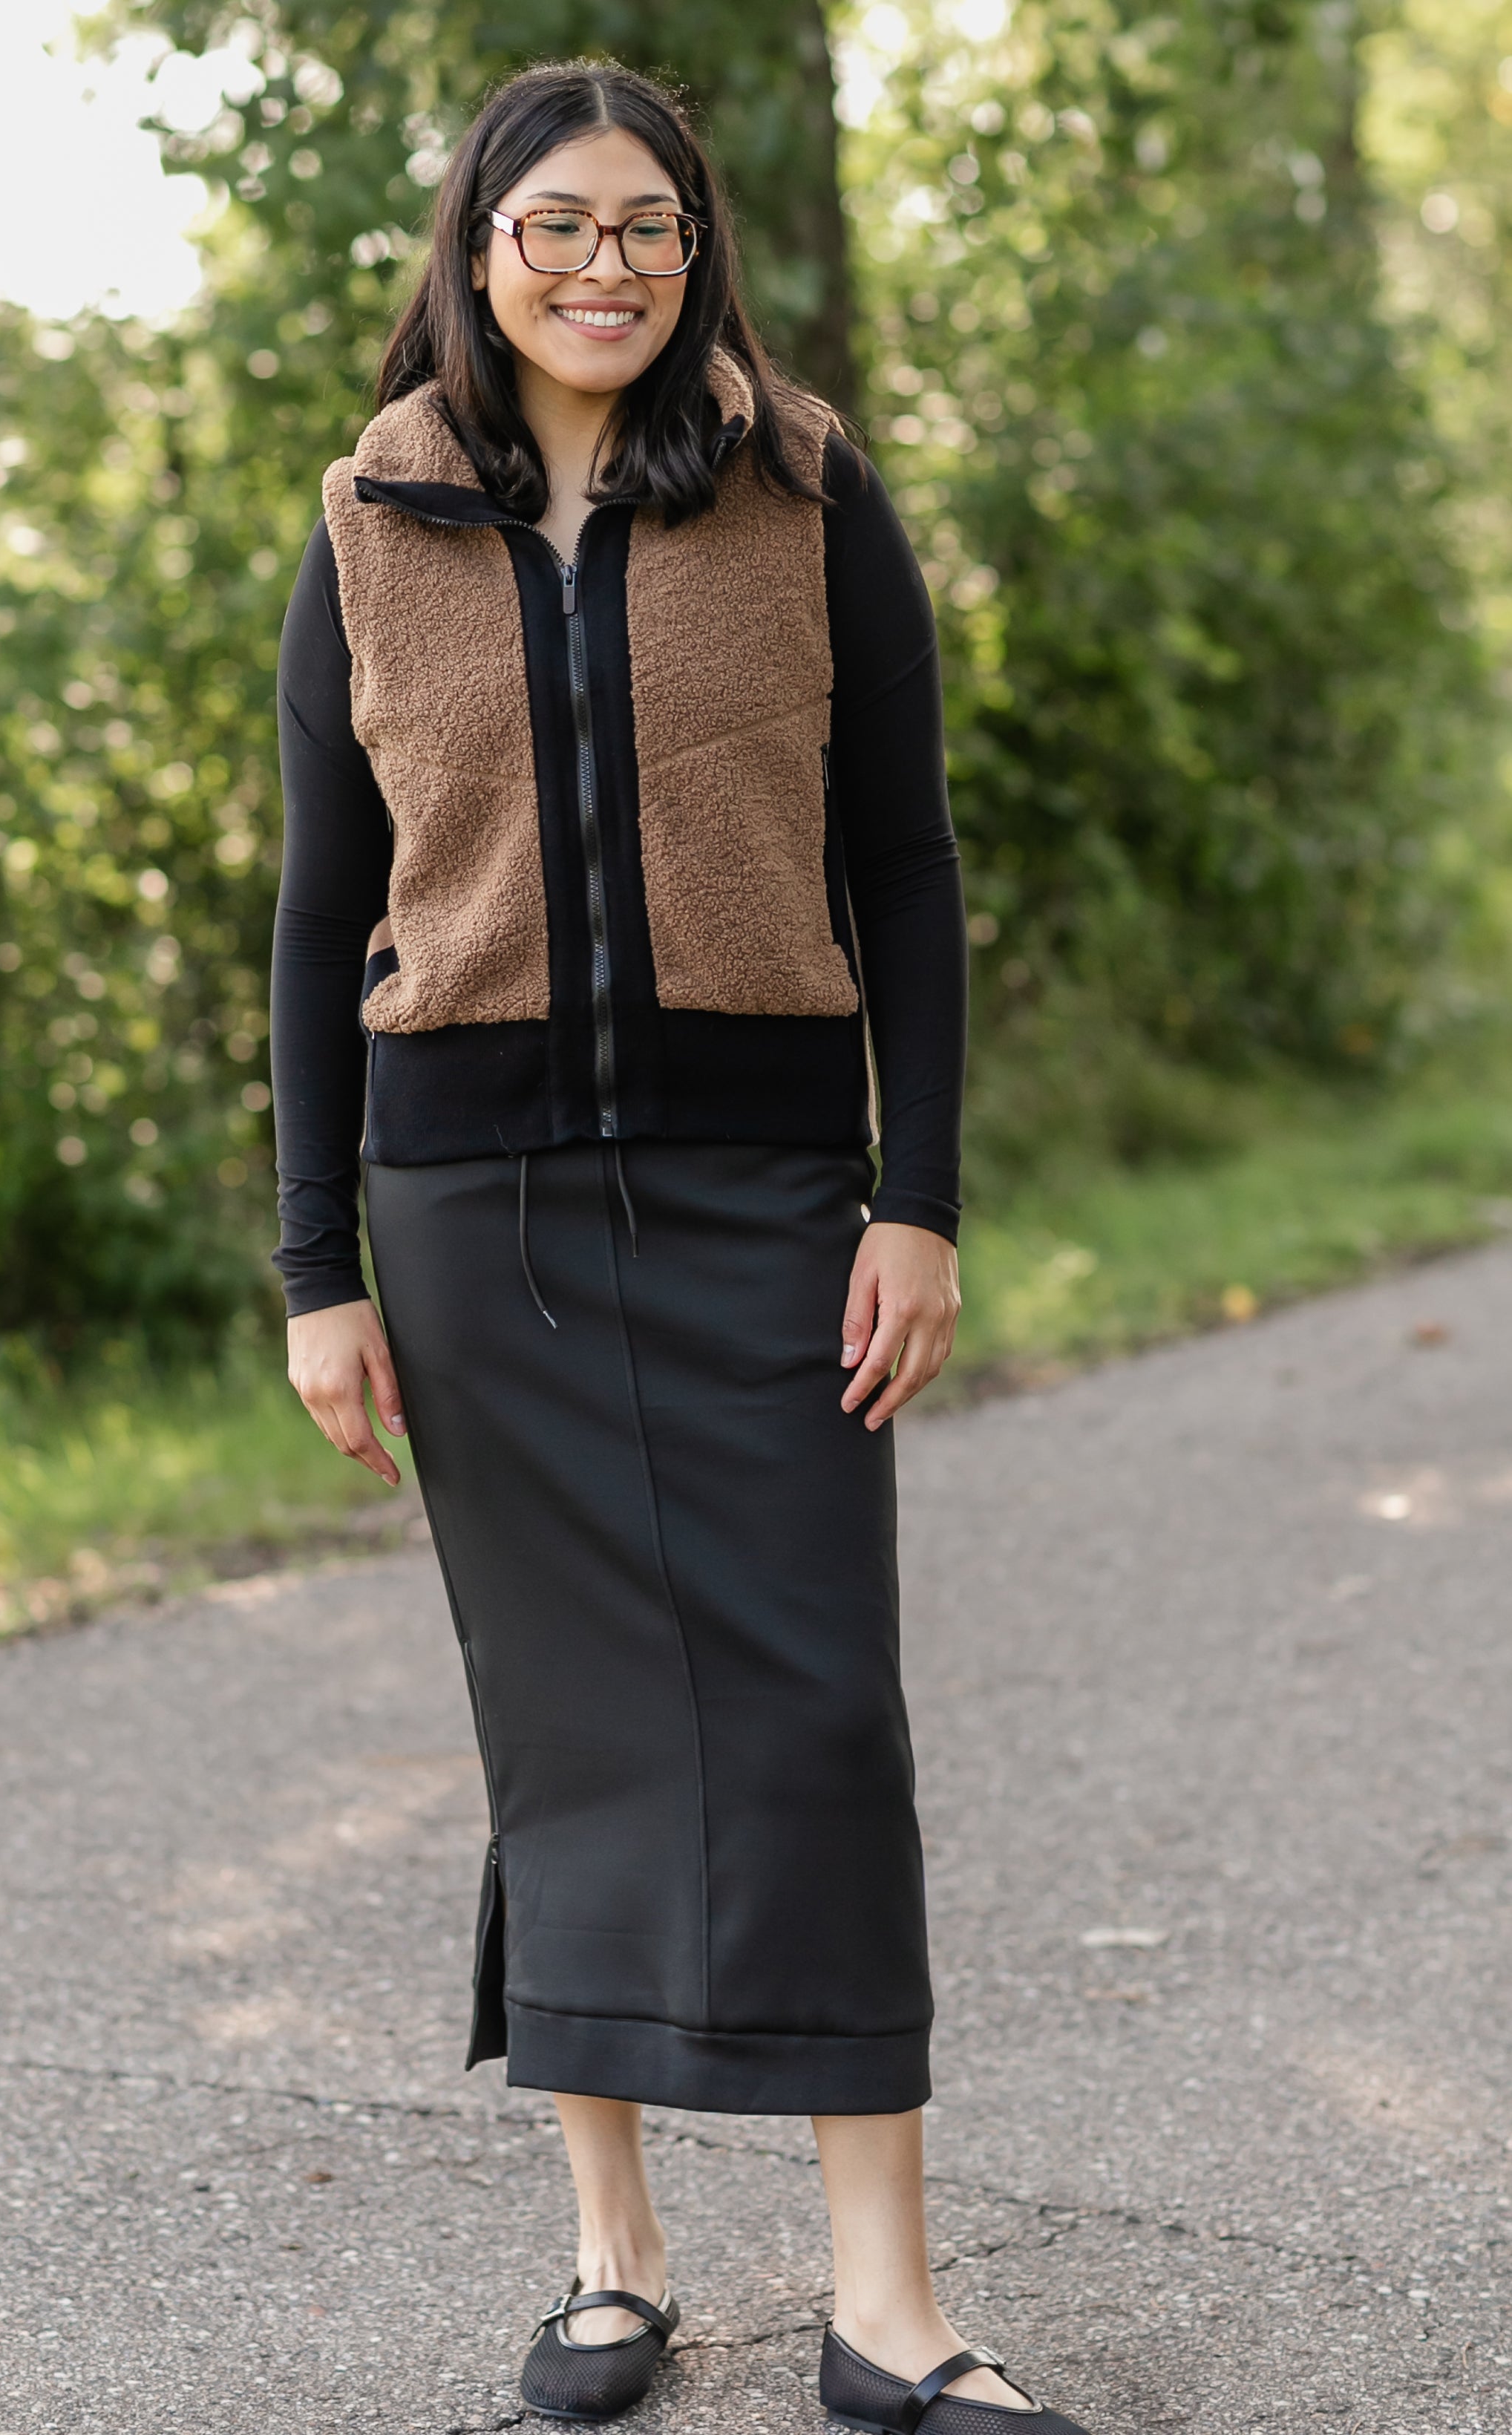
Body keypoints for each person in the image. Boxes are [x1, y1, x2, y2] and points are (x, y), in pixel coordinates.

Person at [270, 56, 1088, 2435]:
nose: (606, 267)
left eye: (648, 226)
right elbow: (323, 913)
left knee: (818, 1713)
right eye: (560, 227)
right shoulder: (371, 517)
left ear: (695, 249)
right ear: (482, 250)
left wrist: (916, 1198)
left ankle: (886, 2308)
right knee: (572, 1729)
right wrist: (319, 1266)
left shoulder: (805, 488)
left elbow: (907, 864)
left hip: (765, 1193)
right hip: (470, 1212)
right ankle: (613, 2258)